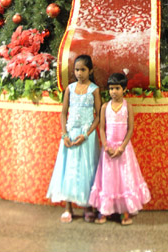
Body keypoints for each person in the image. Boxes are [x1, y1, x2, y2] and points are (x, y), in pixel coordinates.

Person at [89, 71, 151, 225]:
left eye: (117, 88)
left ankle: (125, 211)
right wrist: (106, 146)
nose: (113, 92)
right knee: (108, 179)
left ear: (124, 89)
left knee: (124, 179)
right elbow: (102, 128)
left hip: (123, 150)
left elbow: (130, 129)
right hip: (109, 149)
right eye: (111, 89)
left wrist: (122, 147)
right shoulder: (105, 107)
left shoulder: (127, 107)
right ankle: (104, 210)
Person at [46, 54, 101, 222]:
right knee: (68, 169)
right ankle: (68, 207)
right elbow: (63, 112)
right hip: (70, 134)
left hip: (87, 136)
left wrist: (86, 134)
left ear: (90, 71)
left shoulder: (94, 89)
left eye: (83, 70)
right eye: (77, 70)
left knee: (87, 169)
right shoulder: (69, 88)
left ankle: (88, 207)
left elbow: (98, 116)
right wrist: (64, 134)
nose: (79, 73)